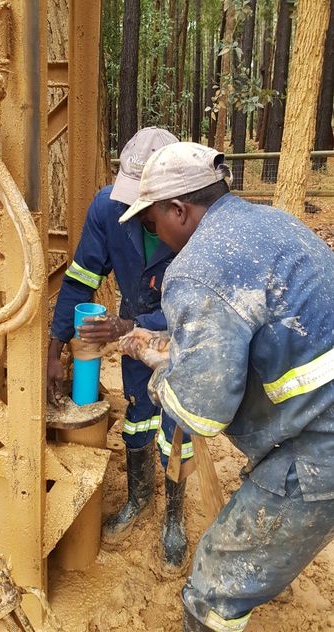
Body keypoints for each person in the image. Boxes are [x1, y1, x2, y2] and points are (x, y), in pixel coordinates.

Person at [117, 141, 334, 631]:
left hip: (321, 446)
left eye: (152, 222)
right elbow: (254, 320)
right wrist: (177, 343)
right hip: (319, 413)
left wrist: (159, 367)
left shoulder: (196, 267)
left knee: (214, 582)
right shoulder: (267, 223)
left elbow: (201, 414)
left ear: (179, 210)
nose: (153, 234)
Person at [47, 127, 193, 567]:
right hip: (131, 337)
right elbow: (81, 277)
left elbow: (199, 310)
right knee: (137, 416)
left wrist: (131, 325)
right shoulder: (108, 209)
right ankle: (139, 498)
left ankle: (174, 519)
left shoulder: (196, 223)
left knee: (177, 427)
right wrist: (56, 349)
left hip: (182, 339)